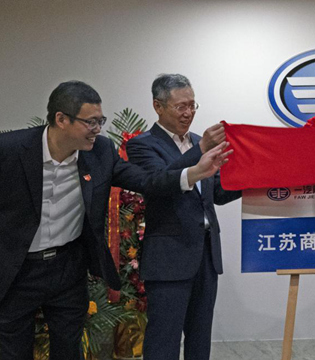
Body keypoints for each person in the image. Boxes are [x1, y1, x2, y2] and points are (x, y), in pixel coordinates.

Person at [0, 81, 230, 360]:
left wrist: (193, 173)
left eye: (101, 121)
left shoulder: (100, 151)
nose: (97, 129)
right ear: (61, 119)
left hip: (67, 268)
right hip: (18, 269)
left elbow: (148, 181)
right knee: (12, 350)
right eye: (90, 122)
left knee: (68, 348)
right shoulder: (11, 149)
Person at [127, 74, 242, 360]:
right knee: (163, 340)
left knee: (200, 338)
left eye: (192, 105)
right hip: (169, 258)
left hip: (206, 254)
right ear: (158, 106)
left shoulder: (197, 141)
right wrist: (200, 151)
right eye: (180, 106)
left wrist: (252, 181)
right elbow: (158, 182)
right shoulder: (143, 145)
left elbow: (217, 193)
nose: (188, 113)